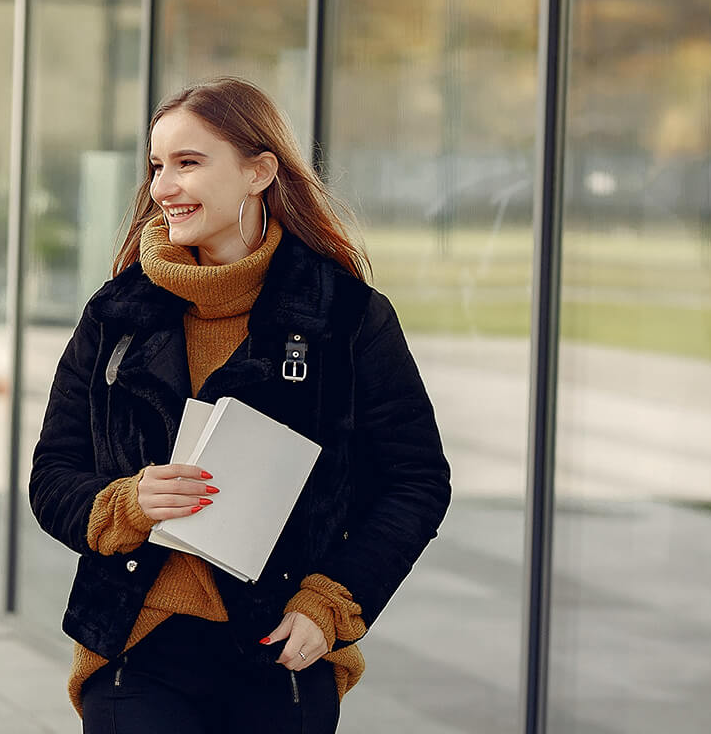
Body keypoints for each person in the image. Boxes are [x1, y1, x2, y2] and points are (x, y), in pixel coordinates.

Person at [29, 76, 451, 734]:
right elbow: (53, 476)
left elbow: (416, 481)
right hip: (135, 652)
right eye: (157, 166)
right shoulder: (117, 314)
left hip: (279, 650)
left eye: (189, 163)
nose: (164, 187)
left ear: (259, 172)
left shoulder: (345, 316)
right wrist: (127, 503)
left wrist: (330, 604)